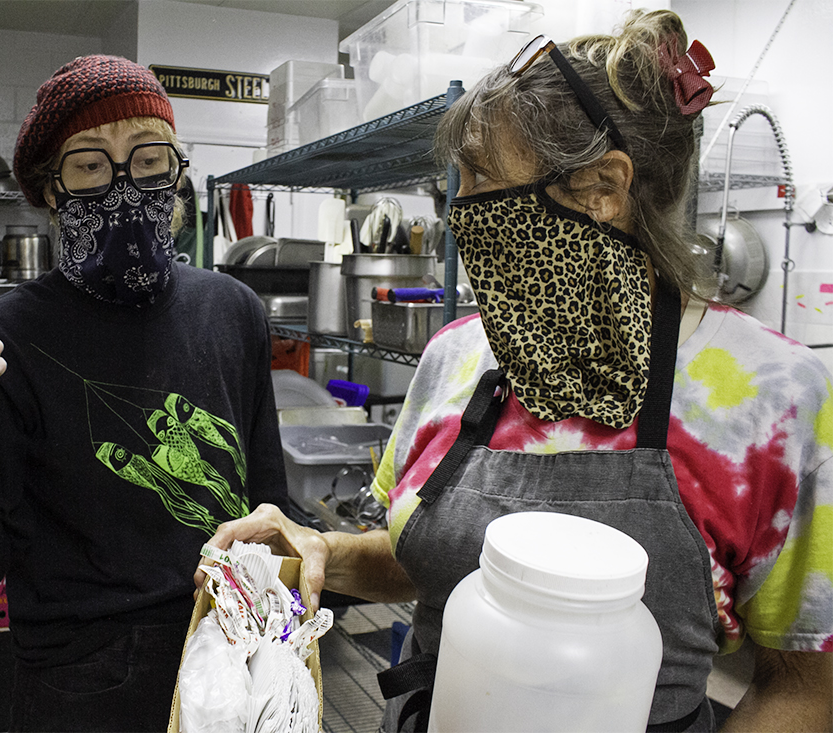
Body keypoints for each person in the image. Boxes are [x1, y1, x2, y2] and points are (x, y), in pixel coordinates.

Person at [200, 10, 832, 733]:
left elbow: (804, 687)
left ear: (601, 187)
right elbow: (425, 558)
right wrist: (324, 550)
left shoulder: (773, 399)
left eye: (478, 177)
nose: (458, 209)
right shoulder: (457, 356)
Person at [0, 54, 288, 732]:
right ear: (51, 190)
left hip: (232, 647)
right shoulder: (3, 340)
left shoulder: (233, 310)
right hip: (83, 682)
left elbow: (271, 503)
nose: (124, 185)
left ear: (177, 172)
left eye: (148, 158)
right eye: (91, 165)